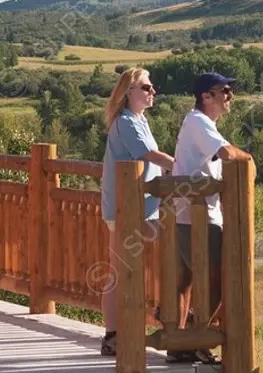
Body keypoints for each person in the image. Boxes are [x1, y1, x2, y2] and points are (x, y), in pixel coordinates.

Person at [167, 72, 253, 364]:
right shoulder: (198, 122)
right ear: (206, 96)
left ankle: (181, 343)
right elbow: (228, 153)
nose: (230, 96)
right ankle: (198, 337)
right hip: (198, 216)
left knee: (187, 281)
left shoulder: (198, 123)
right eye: (225, 91)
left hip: (188, 214)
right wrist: (250, 162)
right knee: (218, 278)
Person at [98, 67, 175, 357]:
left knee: (128, 268)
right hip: (124, 210)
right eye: (146, 87)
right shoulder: (126, 123)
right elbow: (147, 155)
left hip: (139, 210)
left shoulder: (139, 120)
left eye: (152, 87)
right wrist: (179, 165)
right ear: (128, 92)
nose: (152, 91)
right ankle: (114, 335)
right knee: (119, 271)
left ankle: (125, 331)